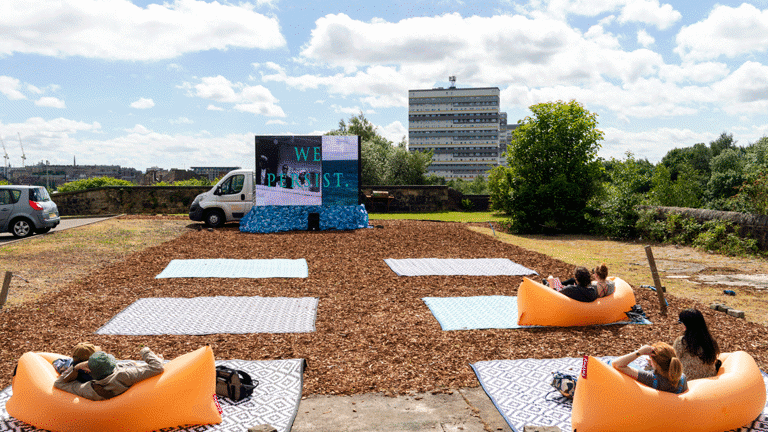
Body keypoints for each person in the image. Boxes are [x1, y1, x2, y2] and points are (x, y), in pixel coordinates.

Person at [54, 346, 164, 401]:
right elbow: (157, 367)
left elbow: (59, 383)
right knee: (131, 364)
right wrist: (145, 351)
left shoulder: (88, 389)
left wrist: (76, 368)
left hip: (97, 385)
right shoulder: (124, 376)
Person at [612, 342, 688, 394]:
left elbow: (617, 364)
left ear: (655, 363)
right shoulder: (682, 378)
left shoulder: (650, 379)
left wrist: (639, 352)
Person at [674, 308, 721, 380]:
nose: (680, 325)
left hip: (689, 382)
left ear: (686, 325)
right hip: (709, 381)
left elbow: (672, 360)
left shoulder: (681, 342)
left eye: (681, 323)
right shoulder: (711, 341)